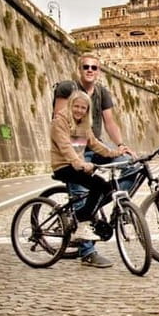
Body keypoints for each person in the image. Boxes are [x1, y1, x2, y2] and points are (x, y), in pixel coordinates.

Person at [53, 52, 135, 268]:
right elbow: (59, 121)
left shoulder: (102, 92)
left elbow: (110, 122)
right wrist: (76, 160)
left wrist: (120, 147)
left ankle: (95, 207)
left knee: (130, 166)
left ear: (99, 72)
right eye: (86, 67)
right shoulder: (67, 89)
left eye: (94, 67)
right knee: (80, 192)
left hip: (93, 144)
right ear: (79, 70)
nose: (90, 70)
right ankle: (87, 251)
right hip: (74, 150)